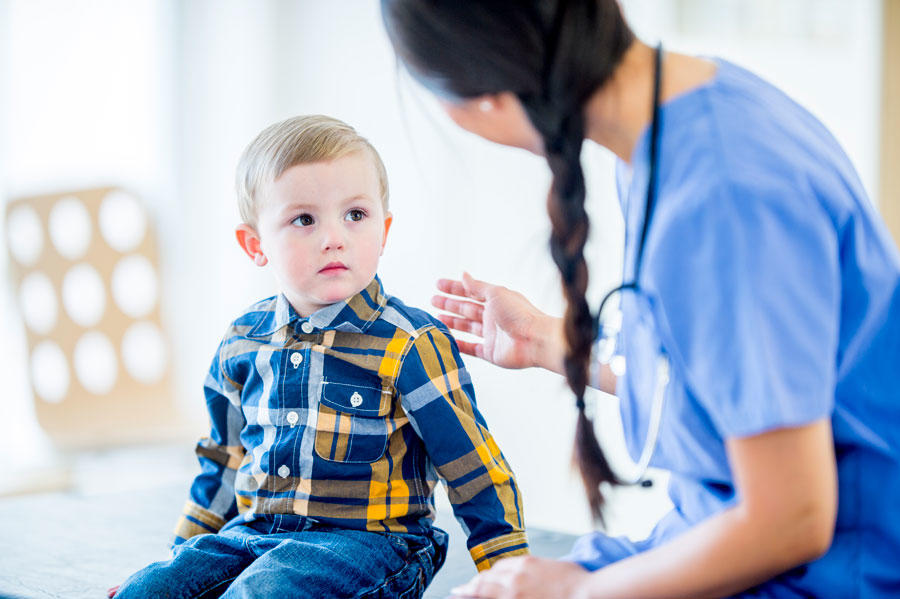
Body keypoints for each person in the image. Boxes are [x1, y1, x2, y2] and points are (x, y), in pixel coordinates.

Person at [381, 1, 900, 598]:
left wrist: (573, 594)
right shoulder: (685, 117)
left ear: (484, 99)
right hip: (719, 533)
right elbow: (733, 384)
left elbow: (792, 520)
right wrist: (548, 341)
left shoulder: (722, 195)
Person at [111, 115, 528, 599]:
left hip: (372, 545)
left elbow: (471, 464)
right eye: (304, 220)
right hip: (255, 536)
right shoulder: (243, 339)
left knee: (265, 593)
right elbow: (223, 460)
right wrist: (179, 558)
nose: (334, 237)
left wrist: (509, 572)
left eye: (355, 215)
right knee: (146, 592)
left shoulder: (410, 343)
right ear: (255, 244)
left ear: (384, 229)